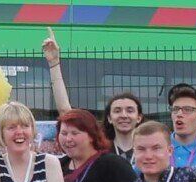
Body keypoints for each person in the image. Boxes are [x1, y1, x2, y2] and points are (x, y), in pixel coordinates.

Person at [41, 29, 141, 160]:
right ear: (109, 118)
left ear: (139, 117)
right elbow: (65, 111)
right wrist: (54, 64)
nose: (123, 115)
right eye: (117, 111)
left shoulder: (147, 147)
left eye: (130, 110)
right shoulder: (99, 149)